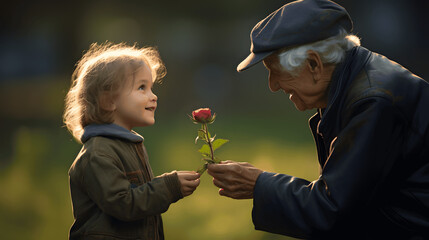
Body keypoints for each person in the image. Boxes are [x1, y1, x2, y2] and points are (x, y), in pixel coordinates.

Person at [207, 0, 429, 239]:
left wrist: (260, 184)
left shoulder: (372, 102)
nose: (272, 85)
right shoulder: (355, 80)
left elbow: (334, 210)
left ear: (314, 64)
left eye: (275, 71)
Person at [64, 42, 200, 240]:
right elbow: (123, 204)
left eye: (151, 88)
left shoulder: (127, 145)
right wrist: (168, 187)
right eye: (142, 88)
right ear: (108, 101)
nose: (153, 96)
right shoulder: (98, 153)